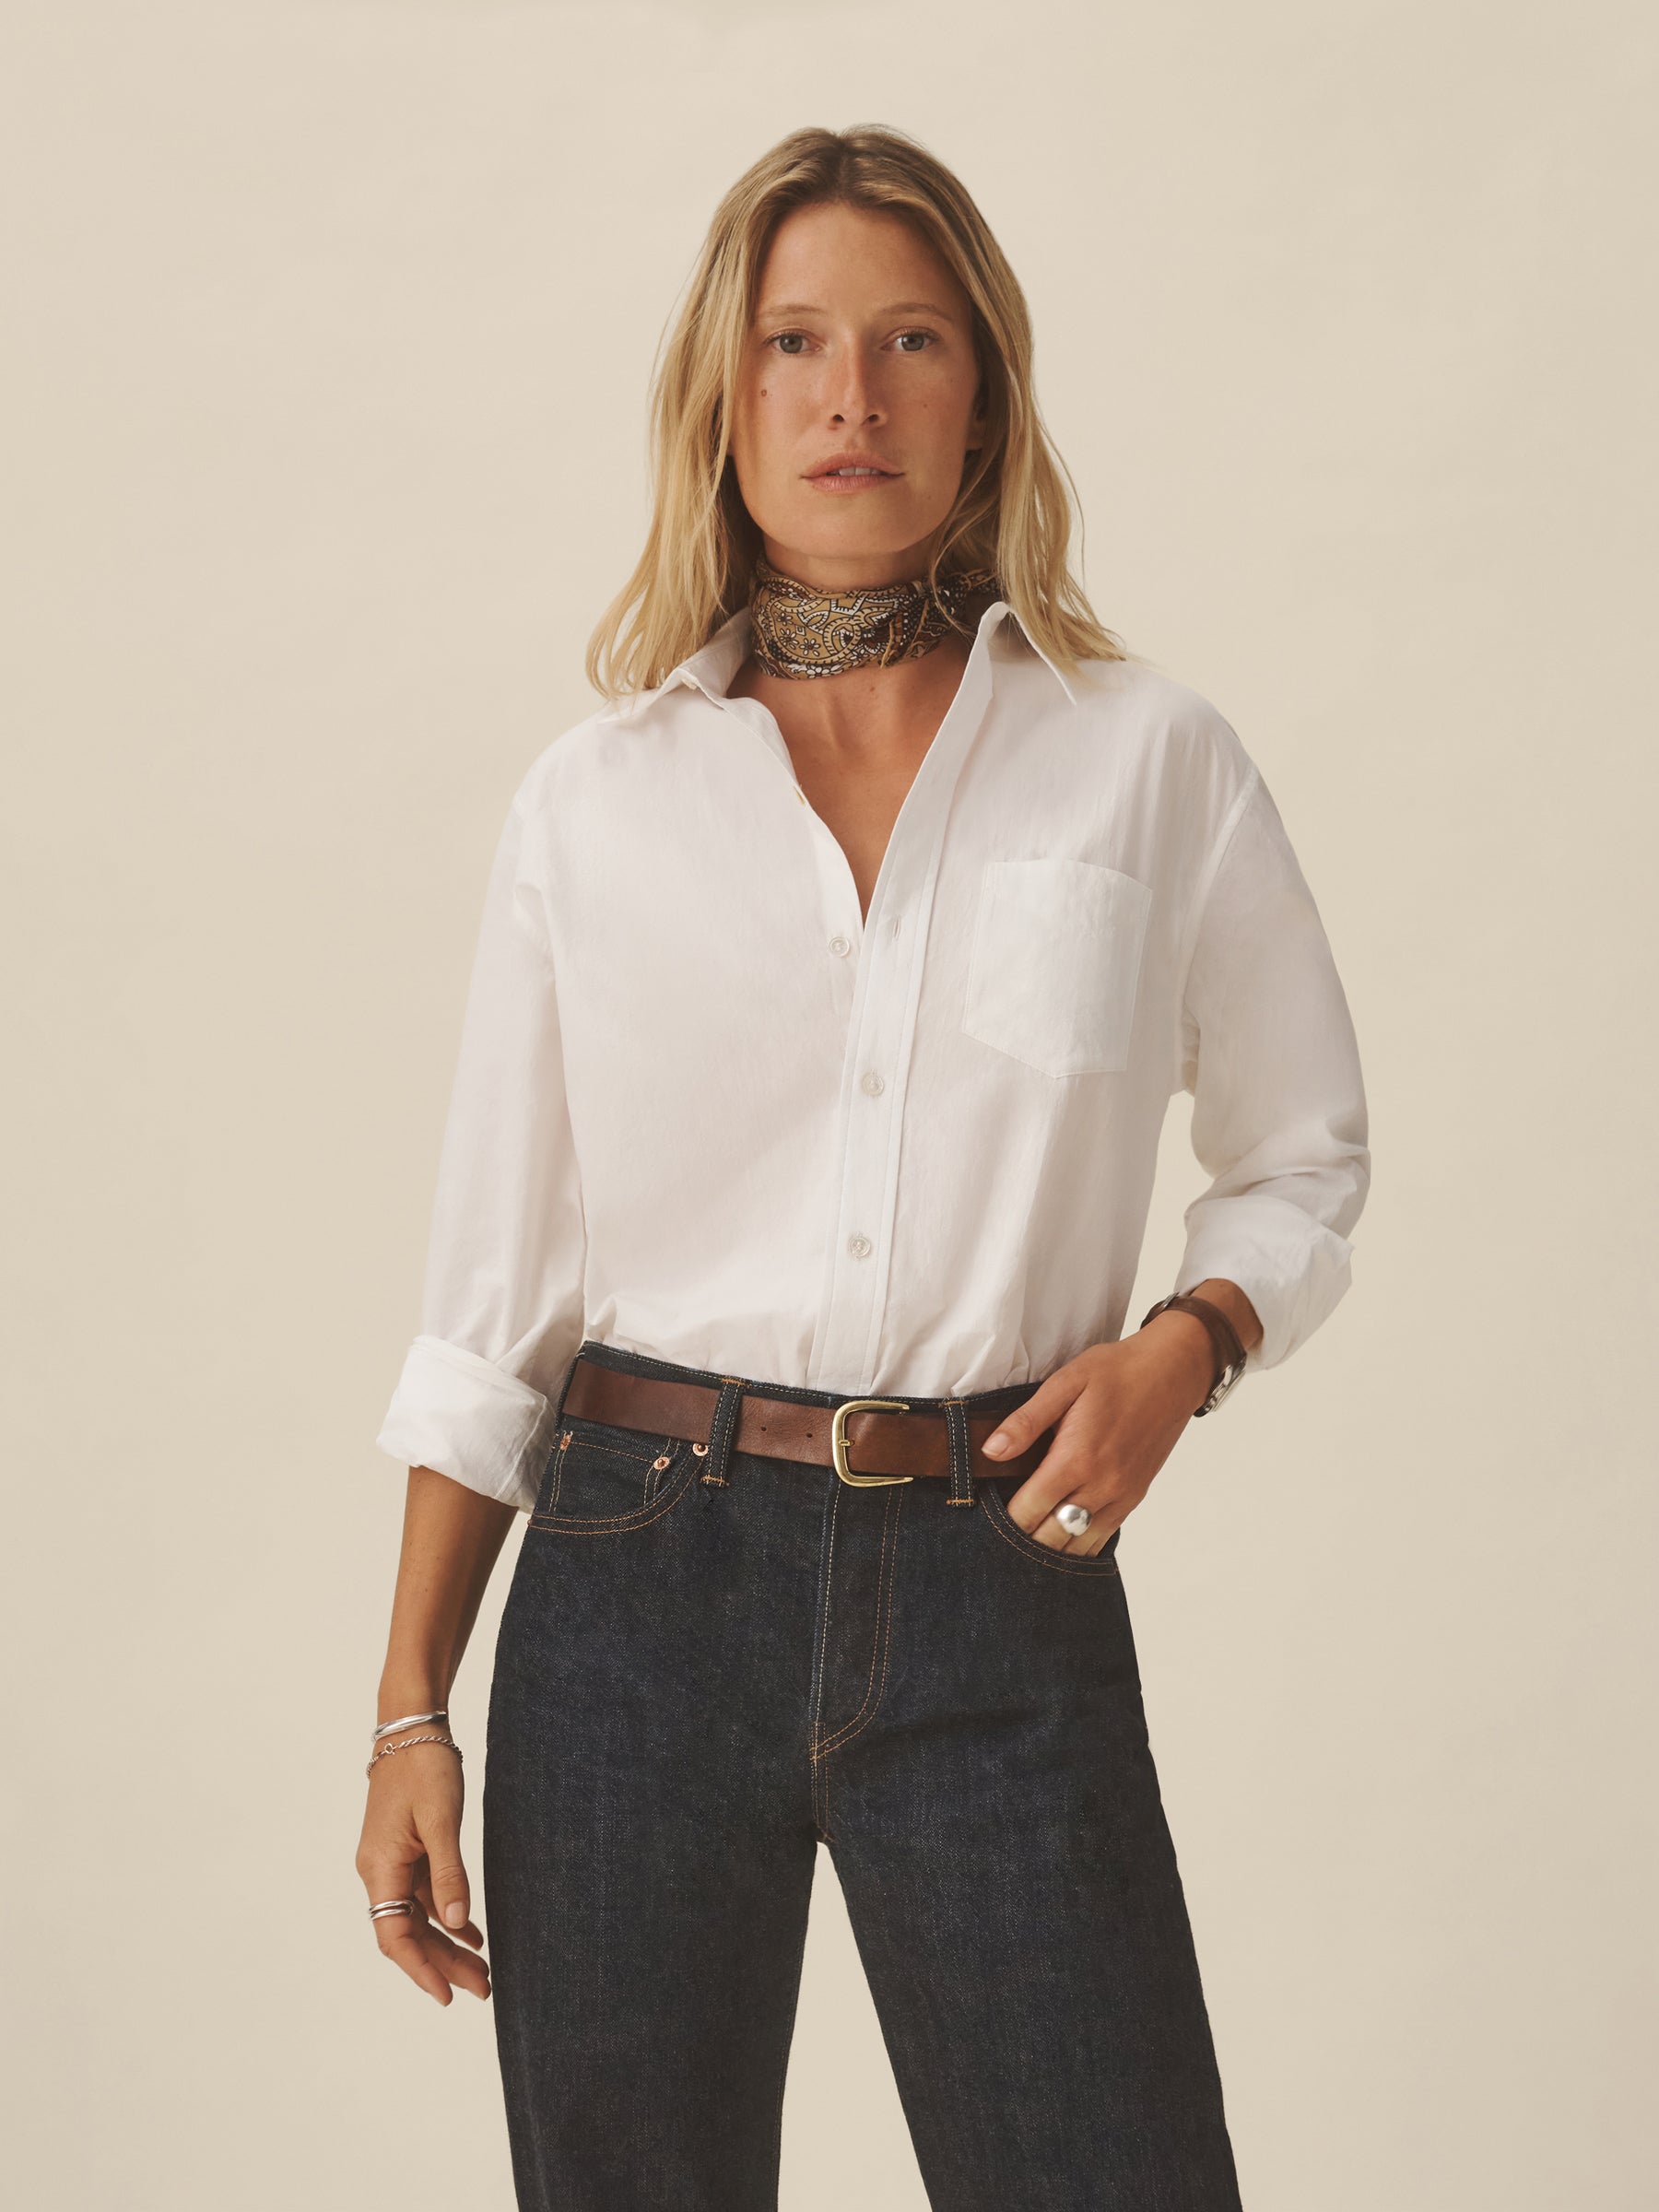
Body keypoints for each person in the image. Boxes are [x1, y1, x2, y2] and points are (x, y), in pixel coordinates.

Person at [355, 123, 1369, 2211]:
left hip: (997, 1576)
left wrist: (1190, 1343)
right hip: (636, 1585)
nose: (852, 396)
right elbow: (493, 1310)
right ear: (723, 402)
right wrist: (408, 1714)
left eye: (912, 341)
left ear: (983, 394)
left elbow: (1302, 1155)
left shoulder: (1145, 757)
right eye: (795, 342)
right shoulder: (594, 805)